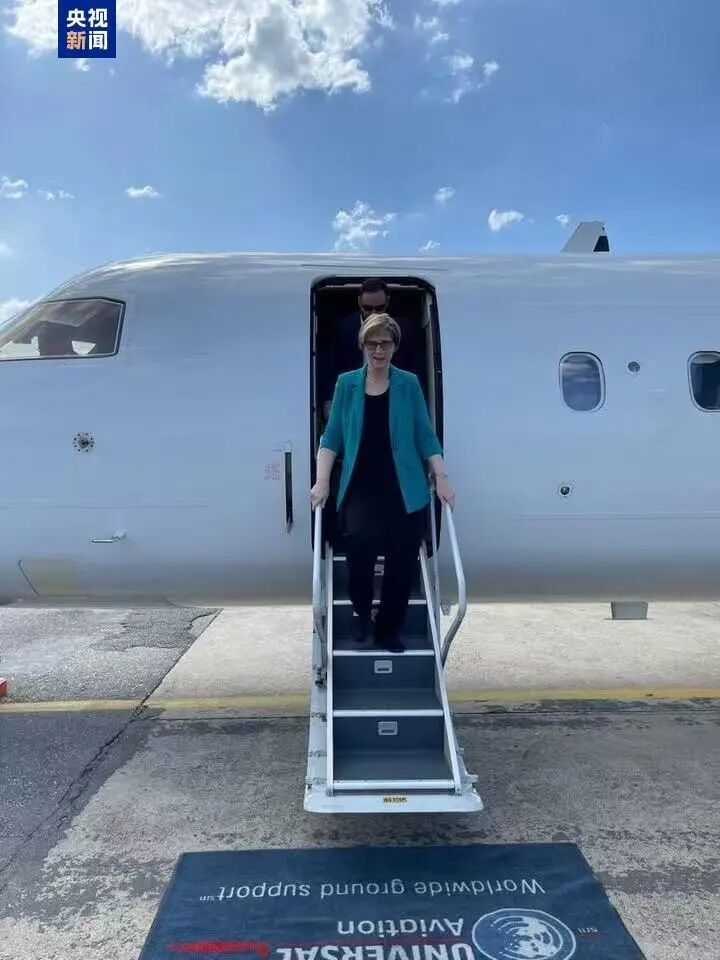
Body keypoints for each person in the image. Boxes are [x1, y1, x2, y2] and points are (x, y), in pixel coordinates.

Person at [310, 313, 454, 653]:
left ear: (395, 346)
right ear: (362, 345)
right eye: (373, 343)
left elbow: (425, 434)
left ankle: (388, 628)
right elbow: (331, 437)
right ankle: (362, 614)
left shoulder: (408, 384)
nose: (379, 350)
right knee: (360, 545)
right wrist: (322, 481)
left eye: (385, 343)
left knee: (401, 560)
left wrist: (441, 477)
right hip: (361, 484)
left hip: (404, 485)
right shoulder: (347, 384)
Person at [317, 278, 420, 426]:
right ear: (359, 302)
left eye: (379, 308)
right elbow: (330, 368)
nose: (373, 314)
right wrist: (329, 408)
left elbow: (414, 368)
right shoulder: (342, 329)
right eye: (367, 308)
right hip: (352, 402)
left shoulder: (403, 330)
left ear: (388, 302)